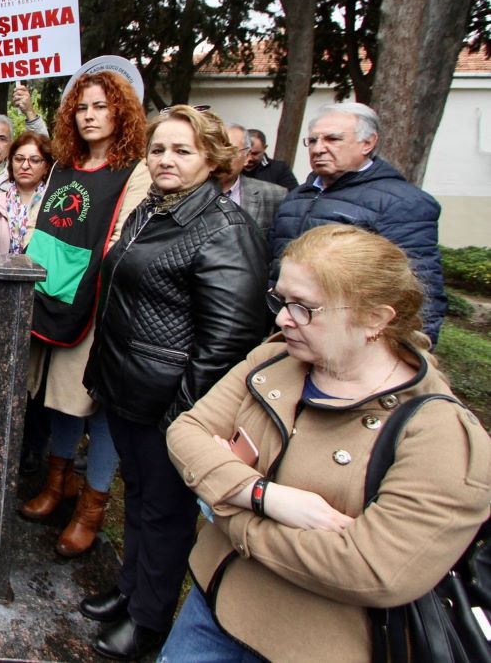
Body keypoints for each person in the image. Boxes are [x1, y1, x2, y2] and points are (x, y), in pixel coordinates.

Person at [161, 225, 491, 661]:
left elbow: (374, 570)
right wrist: (265, 496)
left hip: (310, 645)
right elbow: (186, 433)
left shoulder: (441, 434)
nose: (281, 318)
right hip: (213, 609)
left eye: (304, 308)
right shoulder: (275, 361)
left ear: (375, 318)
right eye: (281, 300)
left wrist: (226, 512)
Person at [78, 105, 268, 660]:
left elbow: (227, 343)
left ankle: (149, 620)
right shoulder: (151, 210)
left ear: (211, 158)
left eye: (182, 151)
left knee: (165, 512)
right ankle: (129, 589)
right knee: (137, 497)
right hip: (128, 390)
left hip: (174, 404)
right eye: (159, 149)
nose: (166, 160)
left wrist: (186, 416)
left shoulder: (226, 230)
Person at [19, 69, 151, 560]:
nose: (90, 116)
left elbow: (122, 242)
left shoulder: (136, 171)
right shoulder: (65, 166)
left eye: (101, 106)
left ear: (122, 112)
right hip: (50, 298)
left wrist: (82, 286)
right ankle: (59, 484)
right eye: (82, 107)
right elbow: (41, 227)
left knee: (93, 405)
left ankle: (92, 506)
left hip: (100, 305)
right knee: (58, 399)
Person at [270, 102, 447, 344]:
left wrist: (411, 353)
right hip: (290, 331)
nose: (318, 149)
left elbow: (421, 289)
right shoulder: (296, 198)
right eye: (312, 141)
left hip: (353, 342)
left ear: (368, 143)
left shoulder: (401, 202)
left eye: (332, 139)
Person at [0, 132, 52, 254]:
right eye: (19, 159)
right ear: (11, 162)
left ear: (46, 166)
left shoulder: (54, 205)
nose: (25, 166)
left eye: (34, 160)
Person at [217, 125, 286, 240]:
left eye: (230, 151)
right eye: (216, 150)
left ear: (247, 156)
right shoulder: (185, 192)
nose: (221, 157)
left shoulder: (274, 195)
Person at [0, 84, 50, 190]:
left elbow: (42, 146)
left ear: (11, 144)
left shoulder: (19, 170)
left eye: (2, 138)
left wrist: (29, 111)